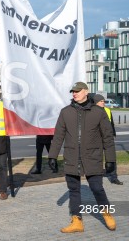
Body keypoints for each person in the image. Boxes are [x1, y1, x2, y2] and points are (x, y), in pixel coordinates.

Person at [48, 82, 116, 233]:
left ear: (86, 91)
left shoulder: (99, 112)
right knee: (73, 190)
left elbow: (108, 137)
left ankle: (107, 214)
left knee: (97, 188)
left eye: (78, 91)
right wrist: (52, 156)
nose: (74, 93)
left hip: (92, 157)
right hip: (71, 157)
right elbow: (58, 136)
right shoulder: (65, 112)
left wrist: (111, 159)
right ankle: (77, 221)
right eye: (73, 91)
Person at [93, 94, 123, 185]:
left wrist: (113, 133)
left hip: (108, 138)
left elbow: (111, 123)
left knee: (112, 158)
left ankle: (114, 177)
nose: (103, 103)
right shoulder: (92, 111)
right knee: (97, 158)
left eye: (104, 101)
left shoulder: (107, 110)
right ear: (96, 102)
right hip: (97, 138)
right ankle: (96, 177)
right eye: (101, 101)